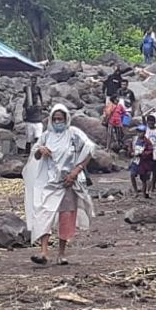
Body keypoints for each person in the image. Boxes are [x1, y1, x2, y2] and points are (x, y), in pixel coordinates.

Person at [23, 104, 95, 266]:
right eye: (54, 119)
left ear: (66, 119)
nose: (57, 122)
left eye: (60, 119)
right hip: (48, 182)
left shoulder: (74, 135)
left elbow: (89, 149)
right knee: (44, 214)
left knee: (66, 217)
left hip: (67, 182)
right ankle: (43, 252)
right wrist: (41, 150)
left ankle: (61, 253)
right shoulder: (46, 136)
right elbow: (34, 154)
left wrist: (76, 171)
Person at [128, 125, 154, 198]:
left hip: (143, 162)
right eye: (138, 132)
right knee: (132, 175)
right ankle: (135, 191)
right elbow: (130, 148)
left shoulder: (147, 141)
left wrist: (142, 154)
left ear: (144, 133)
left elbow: (150, 151)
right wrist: (131, 152)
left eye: (141, 132)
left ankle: (144, 193)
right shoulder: (134, 140)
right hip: (135, 161)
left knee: (144, 178)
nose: (139, 133)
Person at [23, 77, 44, 155]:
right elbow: (24, 90)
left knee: (38, 137)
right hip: (30, 118)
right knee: (29, 138)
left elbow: (41, 96)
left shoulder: (38, 89)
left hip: (37, 120)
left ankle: (37, 152)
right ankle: (27, 153)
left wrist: (42, 103)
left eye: (35, 80)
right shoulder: (27, 88)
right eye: (32, 80)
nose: (34, 81)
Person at [144, 114, 156, 194]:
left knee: (155, 171)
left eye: (152, 122)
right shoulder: (146, 129)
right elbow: (143, 120)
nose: (150, 124)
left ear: (154, 122)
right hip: (148, 153)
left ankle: (153, 186)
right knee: (147, 171)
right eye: (149, 122)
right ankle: (147, 186)